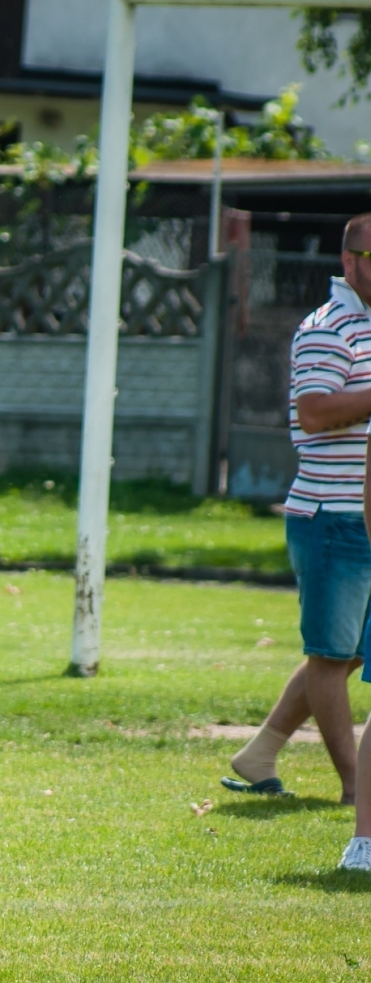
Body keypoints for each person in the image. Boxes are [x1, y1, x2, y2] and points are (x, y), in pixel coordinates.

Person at [223, 213, 371, 822]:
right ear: (349, 260)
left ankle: (260, 753)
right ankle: (355, 791)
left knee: (345, 654)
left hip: (361, 514)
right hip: (329, 516)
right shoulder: (326, 327)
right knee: (332, 656)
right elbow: (313, 413)